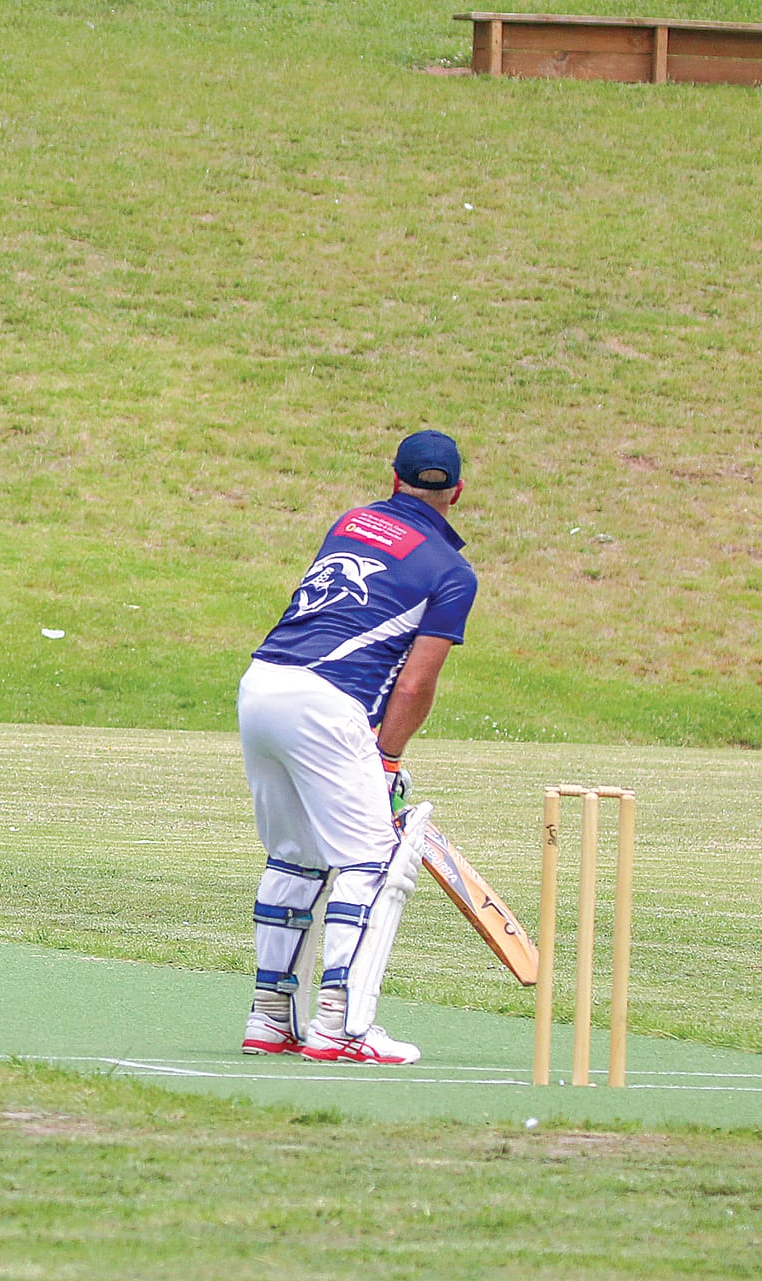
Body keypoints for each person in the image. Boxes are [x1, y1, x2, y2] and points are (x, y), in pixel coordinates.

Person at [236, 430, 478, 1066]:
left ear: (394, 478)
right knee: (371, 861)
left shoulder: (353, 520)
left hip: (262, 683)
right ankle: (342, 1027)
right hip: (327, 703)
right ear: (457, 491)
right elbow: (419, 679)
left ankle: (269, 1019)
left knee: (295, 855)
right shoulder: (453, 573)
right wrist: (388, 757)